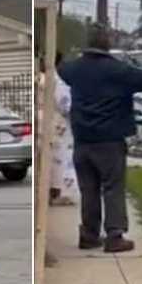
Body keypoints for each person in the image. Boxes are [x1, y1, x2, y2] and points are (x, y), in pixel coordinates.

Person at [58, 26, 142, 253]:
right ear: (106, 44)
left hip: (82, 141)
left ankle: (89, 234)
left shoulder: (73, 70)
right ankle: (114, 236)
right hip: (109, 140)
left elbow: (60, 70)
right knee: (112, 187)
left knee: (88, 189)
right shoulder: (118, 71)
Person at [50, 52, 78, 206]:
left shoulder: (46, 78)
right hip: (59, 125)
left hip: (50, 123)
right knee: (62, 159)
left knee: (54, 160)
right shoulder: (58, 81)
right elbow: (65, 105)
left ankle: (55, 190)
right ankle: (62, 192)